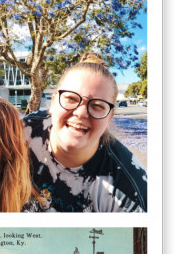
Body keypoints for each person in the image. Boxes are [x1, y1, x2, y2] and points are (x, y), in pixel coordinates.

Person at [24, 53, 147, 212]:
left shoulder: (129, 191)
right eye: (71, 99)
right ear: (53, 102)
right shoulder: (21, 132)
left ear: (110, 117)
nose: (81, 113)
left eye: (97, 105)